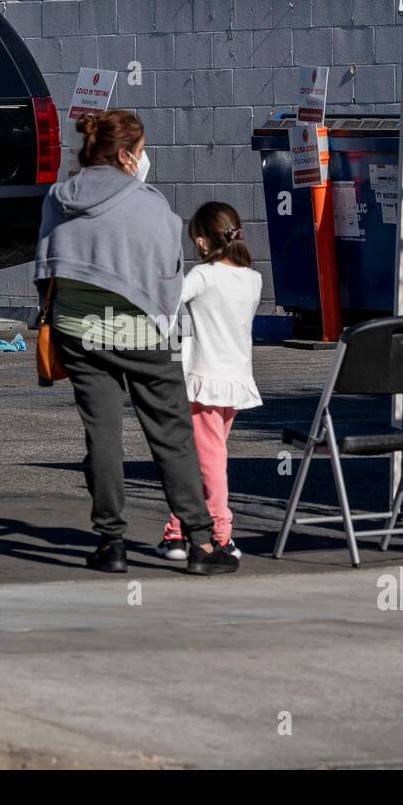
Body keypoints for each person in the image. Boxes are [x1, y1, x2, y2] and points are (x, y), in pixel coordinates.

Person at [35, 109, 239, 576]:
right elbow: (169, 281)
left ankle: (111, 544)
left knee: (102, 436)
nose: (143, 159)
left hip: (79, 332)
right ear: (127, 155)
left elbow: (45, 267)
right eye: (142, 150)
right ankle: (202, 544)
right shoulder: (152, 207)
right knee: (172, 437)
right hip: (145, 336)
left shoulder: (57, 198)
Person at [159, 202, 263, 561]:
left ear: (202, 242)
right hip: (236, 382)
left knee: (207, 462)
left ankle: (219, 534)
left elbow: (165, 309)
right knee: (203, 460)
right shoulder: (253, 279)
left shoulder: (202, 276)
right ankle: (176, 531)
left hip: (203, 381)